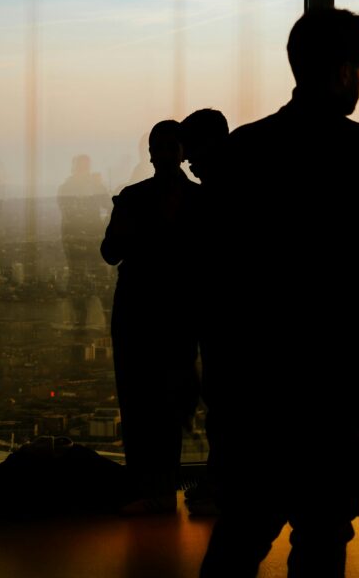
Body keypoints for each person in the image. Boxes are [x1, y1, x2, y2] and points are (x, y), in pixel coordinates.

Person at [200, 8, 359, 578]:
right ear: (335, 71)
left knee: (241, 534)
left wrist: (218, 379)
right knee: (324, 537)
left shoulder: (242, 152)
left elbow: (213, 279)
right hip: (340, 377)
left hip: (255, 379)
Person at [101, 120, 202, 515]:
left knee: (140, 400)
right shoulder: (199, 200)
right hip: (173, 313)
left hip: (139, 310)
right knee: (165, 404)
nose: (162, 154)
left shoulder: (132, 197)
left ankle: (147, 488)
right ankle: (161, 488)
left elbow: (110, 253)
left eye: (167, 146)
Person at [178, 108, 230, 517]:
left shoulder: (219, 194)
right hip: (228, 317)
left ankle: (222, 481)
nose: (187, 158)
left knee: (226, 402)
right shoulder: (232, 188)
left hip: (226, 317)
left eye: (191, 149)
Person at [58, 154, 110, 328]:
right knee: (83, 274)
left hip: (80, 235)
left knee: (80, 274)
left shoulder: (68, 186)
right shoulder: (73, 187)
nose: (84, 169)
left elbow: (107, 205)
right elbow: (108, 205)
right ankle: (90, 315)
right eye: (83, 166)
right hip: (85, 235)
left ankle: (81, 317)